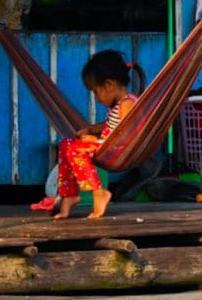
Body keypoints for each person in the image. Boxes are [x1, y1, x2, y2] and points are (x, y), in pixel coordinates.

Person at [46, 49, 140, 220]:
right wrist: (90, 130)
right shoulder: (118, 105)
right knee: (67, 144)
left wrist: (99, 141)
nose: (96, 98)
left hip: (117, 150)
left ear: (110, 85)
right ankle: (69, 194)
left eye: (96, 92)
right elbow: (110, 125)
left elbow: (127, 133)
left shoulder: (128, 104)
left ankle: (98, 192)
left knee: (75, 149)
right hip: (108, 145)